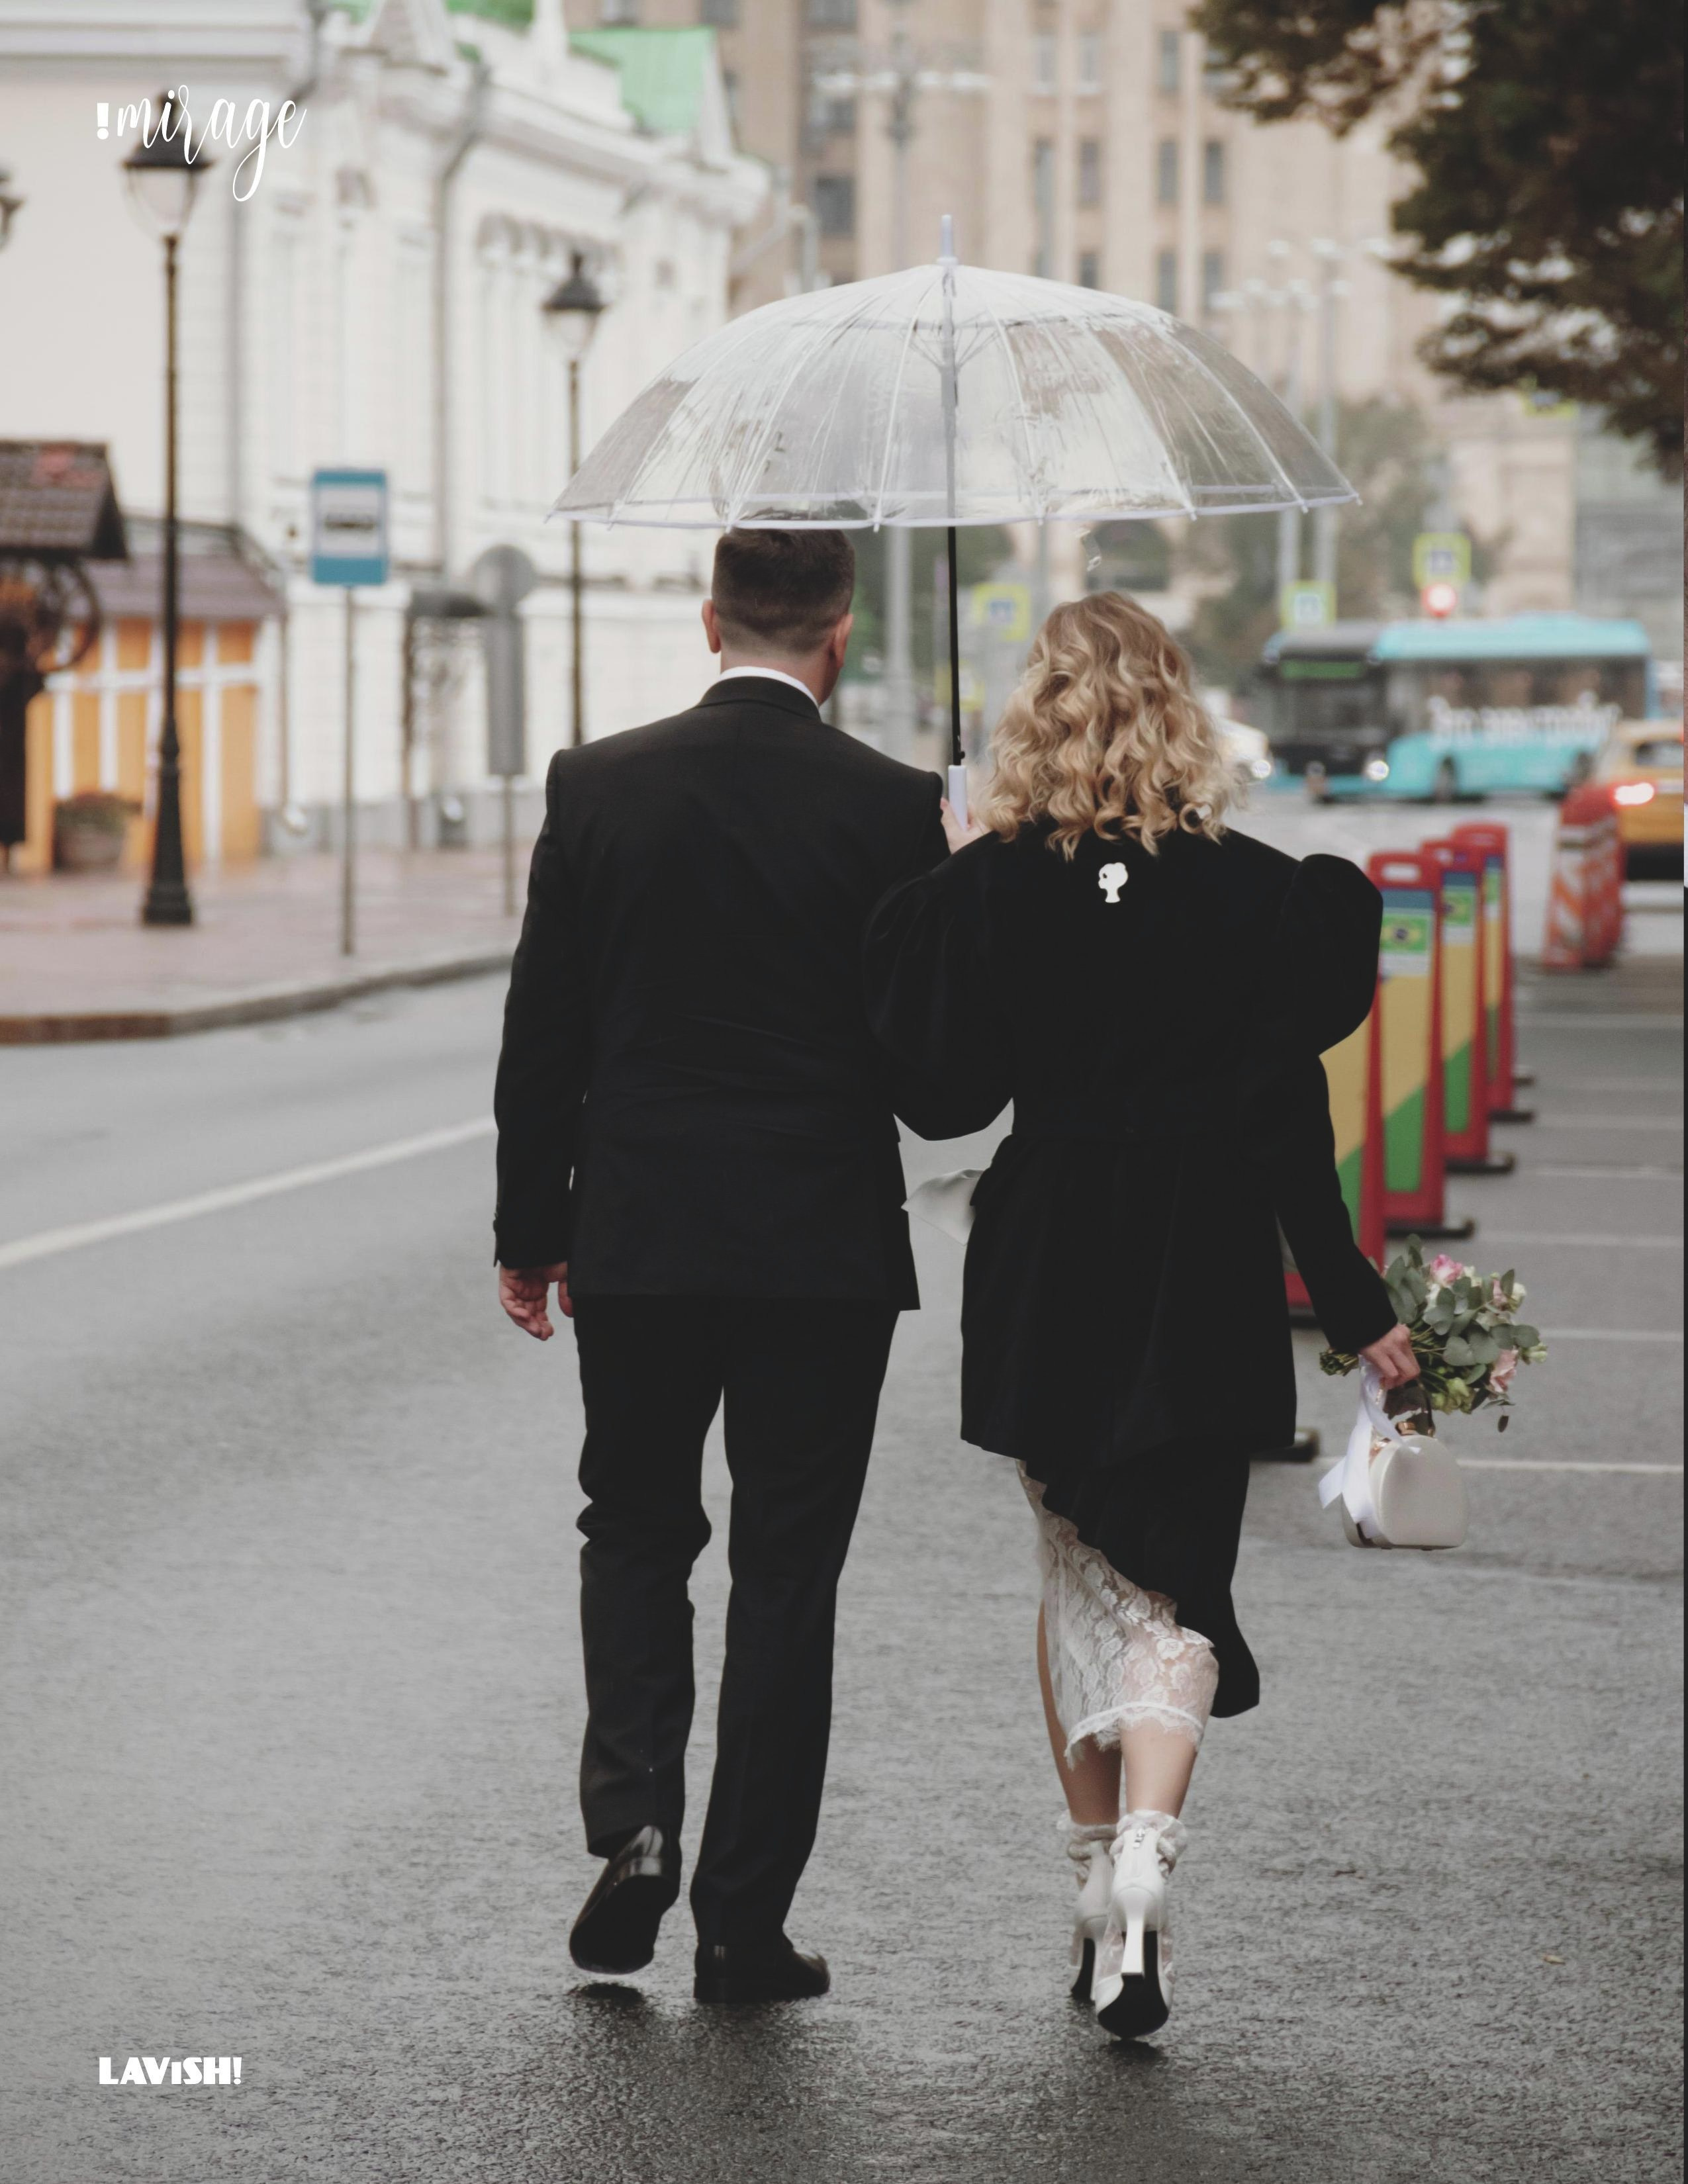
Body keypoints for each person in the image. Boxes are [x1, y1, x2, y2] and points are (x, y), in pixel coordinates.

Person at [862, 591, 1418, 2039]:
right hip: (1204, 1259)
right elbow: (1287, 1124)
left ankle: (1097, 1882)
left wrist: (954, 889)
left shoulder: (992, 889)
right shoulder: (1263, 898)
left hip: (1050, 1256)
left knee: (1081, 1575)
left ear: (1036, 714)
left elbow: (944, 1100)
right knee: (1177, 1587)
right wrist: (1355, 1307)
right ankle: (1148, 1869)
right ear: (1178, 708)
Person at [492, 527, 947, 2005]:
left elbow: (542, 1037)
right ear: (840, 636)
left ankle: (634, 1823)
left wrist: (529, 1231)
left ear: (710, 622)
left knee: (634, 1529)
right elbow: (934, 1082)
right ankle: (743, 1925)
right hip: (821, 1246)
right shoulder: (893, 805)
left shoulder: (597, 784)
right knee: (788, 1572)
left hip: (640, 1232)